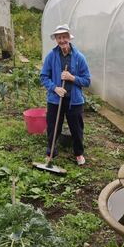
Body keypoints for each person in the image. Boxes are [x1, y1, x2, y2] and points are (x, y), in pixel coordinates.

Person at [40, 24, 91, 166]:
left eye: (64, 37)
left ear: (69, 38)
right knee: (53, 127)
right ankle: (51, 153)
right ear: (56, 39)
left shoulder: (79, 57)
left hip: (74, 101)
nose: (62, 40)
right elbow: (44, 76)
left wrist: (72, 78)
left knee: (77, 129)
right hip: (55, 100)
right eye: (59, 37)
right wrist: (55, 88)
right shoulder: (51, 56)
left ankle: (79, 153)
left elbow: (87, 81)